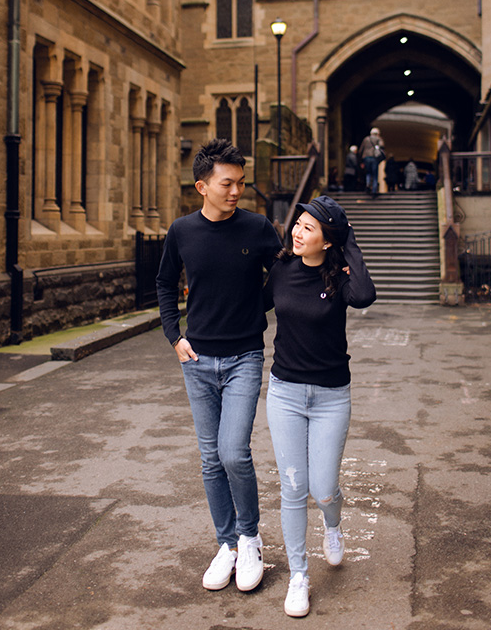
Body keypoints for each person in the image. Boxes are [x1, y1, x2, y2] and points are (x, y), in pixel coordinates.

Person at [156, 138, 282, 594]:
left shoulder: (258, 227)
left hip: (245, 356)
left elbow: (283, 274)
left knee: (233, 452)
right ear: (201, 187)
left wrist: (257, 309)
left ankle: (250, 537)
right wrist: (175, 336)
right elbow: (165, 282)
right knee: (210, 460)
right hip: (197, 359)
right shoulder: (182, 231)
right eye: (227, 184)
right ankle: (226, 543)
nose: (237, 192)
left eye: (241, 183)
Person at [263, 195, 376, 617]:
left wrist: (349, 245)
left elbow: (365, 295)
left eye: (309, 228)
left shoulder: (341, 277)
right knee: (293, 487)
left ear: (327, 241)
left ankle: (333, 525)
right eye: (299, 223)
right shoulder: (281, 271)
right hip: (286, 394)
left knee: (323, 488)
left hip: (330, 397)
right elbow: (254, 309)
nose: (297, 231)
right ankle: (298, 576)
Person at [359, 128, 384, 196]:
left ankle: (368, 184)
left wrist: (361, 159)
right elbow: (382, 146)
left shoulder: (366, 139)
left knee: (368, 173)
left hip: (366, 157)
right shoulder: (378, 139)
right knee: (375, 174)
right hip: (374, 157)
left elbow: (361, 149)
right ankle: (374, 189)